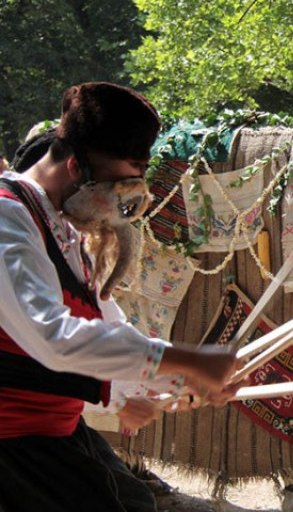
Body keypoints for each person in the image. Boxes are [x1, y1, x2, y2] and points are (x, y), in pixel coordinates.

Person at [0, 82, 241, 512]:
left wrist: (179, 380)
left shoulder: (63, 226)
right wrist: (187, 361)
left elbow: (106, 325)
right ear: (76, 166)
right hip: (14, 445)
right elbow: (54, 339)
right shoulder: (8, 219)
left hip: (55, 432)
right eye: (124, 178)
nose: (127, 196)